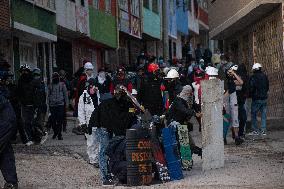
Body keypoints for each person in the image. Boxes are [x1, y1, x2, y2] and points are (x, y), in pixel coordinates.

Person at [89, 85, 137, 186]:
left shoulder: (120, 103)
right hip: (103, 127)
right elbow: (122, 118)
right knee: (104, 151)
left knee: (108, 151)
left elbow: (127, 115)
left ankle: (108, 174)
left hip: (106, 128)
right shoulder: (114, 104)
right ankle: (104, 178)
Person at [165, 85, 202, 157]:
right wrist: (195, 114)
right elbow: (184, 110)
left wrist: (200, 110)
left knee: (188, 142)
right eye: (188, 93)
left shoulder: (188, 100)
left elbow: (194, 106)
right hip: (174, 123)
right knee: (185, 142)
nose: (190, 95)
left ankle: (195, 153)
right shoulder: (178, 100)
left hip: (181, 124)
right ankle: (191, 154)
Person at [0, 58, 18, 189]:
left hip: (5, 120)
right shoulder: (3, 88)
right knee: (5, 151)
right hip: (8, 118)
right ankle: (11, 182)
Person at [78, 81, 99, 167]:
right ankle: (93, 160)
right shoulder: (83, 97)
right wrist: (83, 124)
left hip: (98, 123)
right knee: (91, 142)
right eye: (91, 88)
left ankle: (98, 158)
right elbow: (81, 111)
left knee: (98, 142)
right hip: (88, 123)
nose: (93, 89)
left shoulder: (98, 95)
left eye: (94, 87)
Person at [223, 65, 244, 145]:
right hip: (226, 104)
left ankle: (236, 137)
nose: (230, 74)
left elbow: (241, 82)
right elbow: (225, 94)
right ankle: (223, 138)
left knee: (235, 121)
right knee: (225, 122)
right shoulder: (224, 82)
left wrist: (234, 74)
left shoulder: (233, 81)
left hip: (233, 104)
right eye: (229, 72)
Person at [17, 64, 36, 146]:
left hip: (32, 105)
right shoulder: (20, 81)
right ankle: (30, 138)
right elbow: (18, 93)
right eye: (23, 71)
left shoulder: (33, 81)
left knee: (32, 122)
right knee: (26, 123)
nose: (24, 73)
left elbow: (37, 93)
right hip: (24, 105)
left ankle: (35, 137)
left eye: (26, 71)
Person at [248, 63, 269, 136]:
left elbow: (251, 87)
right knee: (263, 114)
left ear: (254, 69)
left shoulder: (253, 77)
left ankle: (255, 130)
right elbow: (267, 87)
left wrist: (250, 95)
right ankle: (263, 130)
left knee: (253, 114)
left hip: (256, 98)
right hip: (264, 98)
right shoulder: (265, 76)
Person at [48, 72, 68, 140]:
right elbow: (48, 96)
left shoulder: (62, 85)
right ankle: (55, 132)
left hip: (60, 105)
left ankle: (59, 134)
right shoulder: (50, 85)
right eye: (54, 77)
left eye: (56, 77)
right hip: (52, 105)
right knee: (53, 120)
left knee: (60, 120)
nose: (55, 78)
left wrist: (67, 104)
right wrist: (48, 105)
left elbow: (65, 95)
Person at [31, 68, 48, 144]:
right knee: (35, 122)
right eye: (35, 75)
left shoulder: (41, 85)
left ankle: (42, 135)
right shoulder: (33, 85)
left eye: (37, 75)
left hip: (40, 106)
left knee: (39, 122)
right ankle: (39, 136)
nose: (36, 77)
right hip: (35, 106)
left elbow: (44, 96)